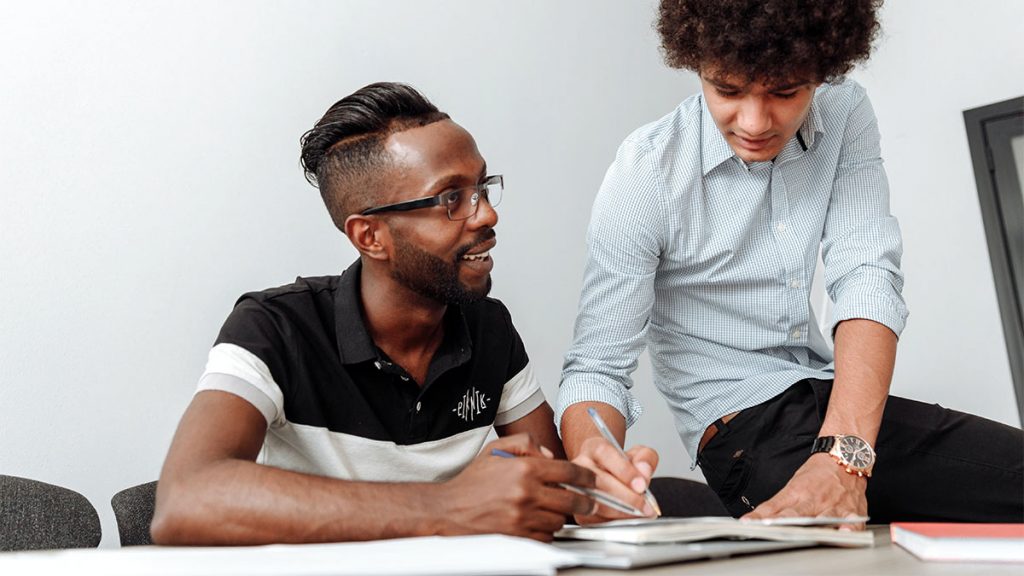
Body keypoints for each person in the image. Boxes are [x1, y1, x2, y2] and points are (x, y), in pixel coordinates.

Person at [557, 0, 1023, 527]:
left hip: (830, 401)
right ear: (696, 64)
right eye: (727, 90)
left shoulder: (844, 110)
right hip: (745, 434)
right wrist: (594, 464)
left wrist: (843, 458)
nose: (755, 122)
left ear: (823, 71)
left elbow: (867, 275)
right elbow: (597, 365)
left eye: (786, 92)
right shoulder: (645, 174)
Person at [151, 82, 596, 545]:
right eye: (450, 199)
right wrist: (448, 506)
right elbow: (186, 501)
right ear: (370, 237)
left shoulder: (488, 325)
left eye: (481, 187)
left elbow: (555, 489)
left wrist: (597, 487)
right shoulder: (275, 327)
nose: (486, 215)